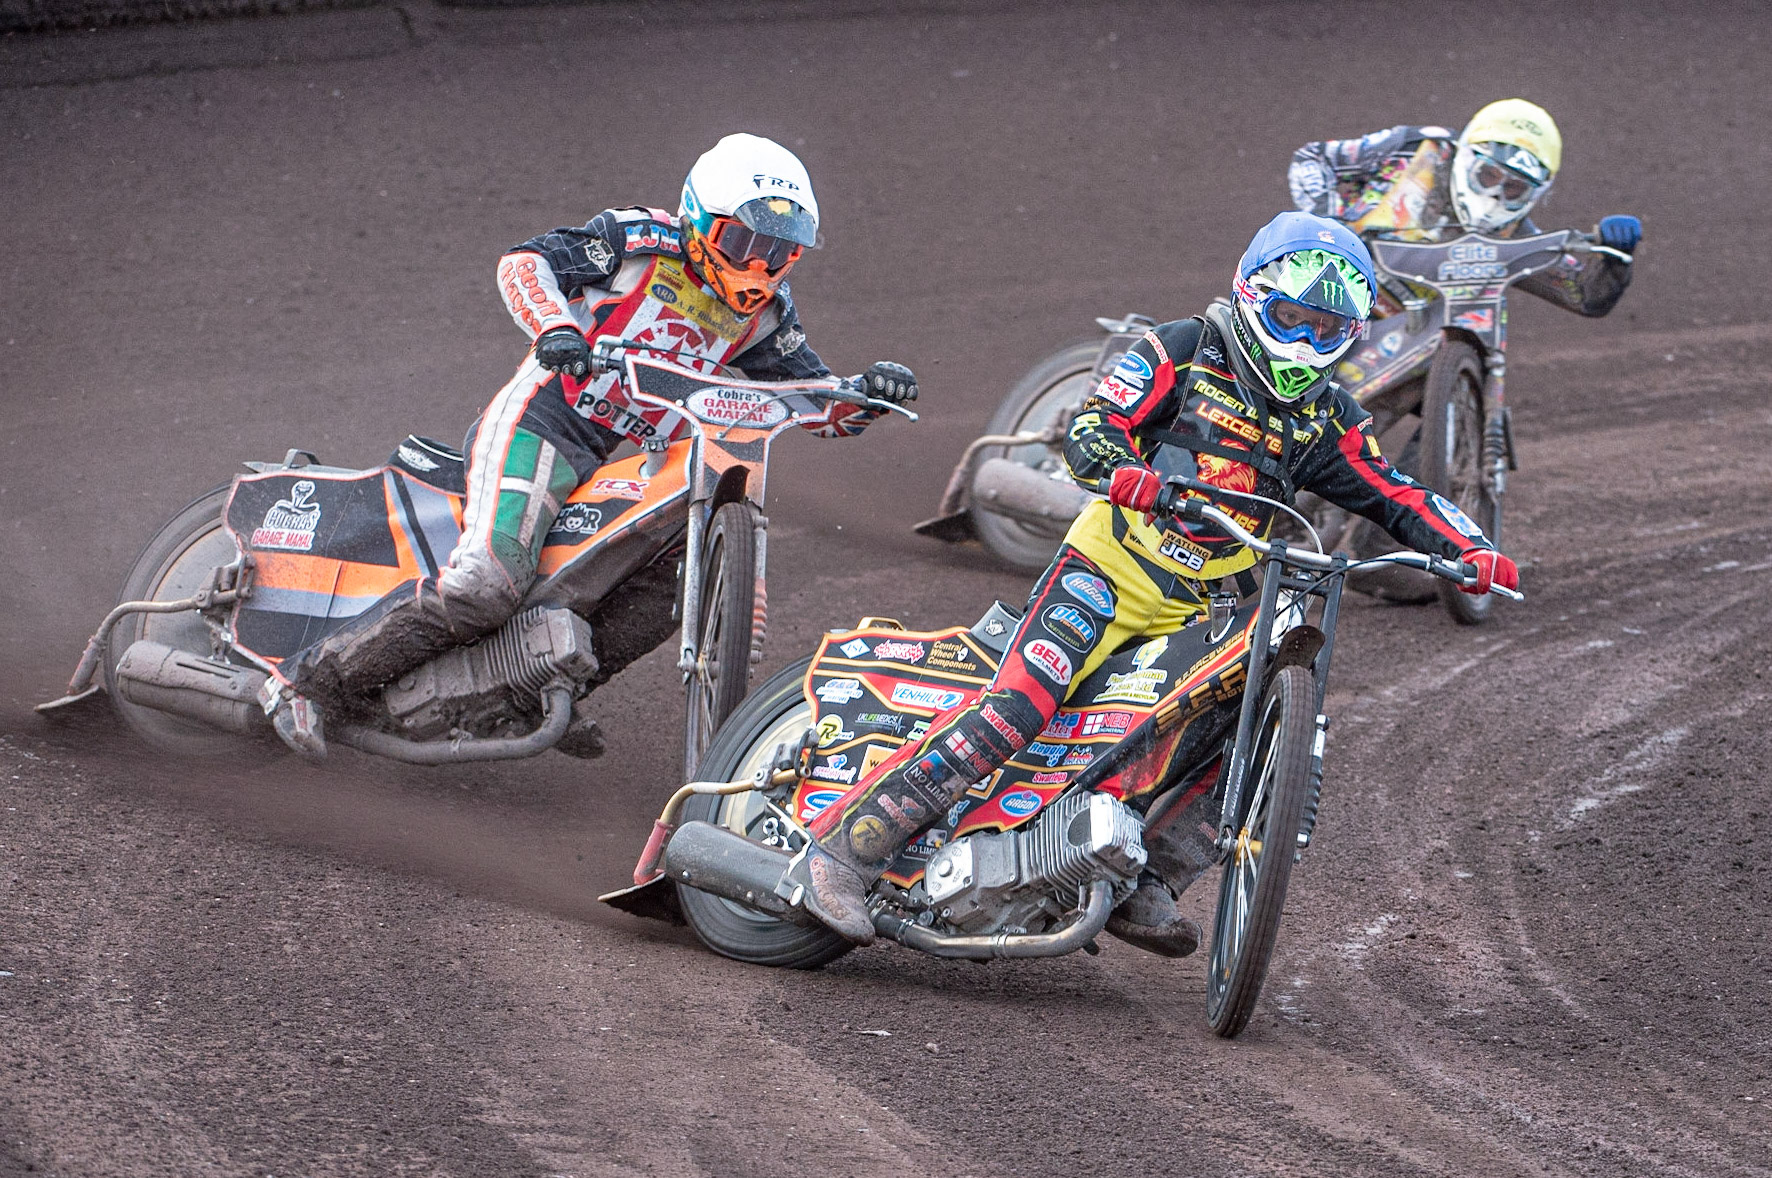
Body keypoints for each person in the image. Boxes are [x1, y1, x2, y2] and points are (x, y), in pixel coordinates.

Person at [787, 211, 1518, 950]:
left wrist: (1474, 548)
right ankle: (847, 850)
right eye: (1291, 318)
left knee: (1237, 724)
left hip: (1203, 605)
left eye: (1325, 330)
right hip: (1109, 567)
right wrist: (1123, 470)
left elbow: (1394, 490)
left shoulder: (1328, 418)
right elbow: (1092, 426)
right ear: (1252, 295)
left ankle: (1148, 876)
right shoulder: (1184, 347)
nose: (1303, 342)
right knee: (1021, 706)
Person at [260, 133, 918, 756]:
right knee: (487, 584)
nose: (758, 264)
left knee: (677, 580)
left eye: (779, 251)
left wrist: (865, 396)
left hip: (637, 464)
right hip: (548, 423)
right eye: (743, 239)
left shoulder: (765, 316)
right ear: (698, 218)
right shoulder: (638, 241)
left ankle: (533, 693)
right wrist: (553, 325)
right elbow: (525, 262)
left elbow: (811, 399)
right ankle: (306, 683)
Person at [1287, 98, 1641, 316]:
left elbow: (1585, 296)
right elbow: (1312, 160)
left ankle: (1446, 439)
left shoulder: (1512, 239)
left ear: (1535, 195)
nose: (1494, 197)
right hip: (1324, 294)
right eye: (1487, 176)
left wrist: (1616, 258)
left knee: (1461, 374)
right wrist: (1329, 227)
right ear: (1466, 154)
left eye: (1514, 188)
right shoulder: (1414, 149)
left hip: (1405, 344)